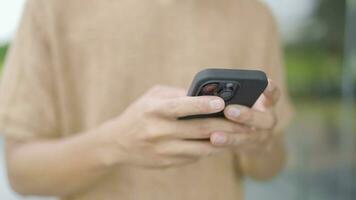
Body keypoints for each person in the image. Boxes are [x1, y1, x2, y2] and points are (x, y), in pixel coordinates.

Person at [0, 0, 293, 199]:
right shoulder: (52, 6)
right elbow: (21, 172)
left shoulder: (254, 14)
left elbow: (270, 168)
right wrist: (116, 143)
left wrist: (260, 144)